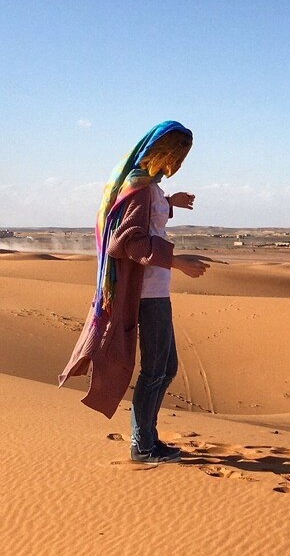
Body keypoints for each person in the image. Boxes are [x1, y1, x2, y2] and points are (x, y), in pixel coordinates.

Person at [59, 120, 209, 464]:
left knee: (167, 367)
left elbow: (147, 218)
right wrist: (177, 260)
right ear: (162, 151)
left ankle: (148, 439)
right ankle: (142, 445)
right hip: (145, 293)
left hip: (156, 290)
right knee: (156, 369)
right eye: (177, 154)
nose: (178, 162)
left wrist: (171, 203)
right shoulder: (140, 187)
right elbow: (126, 241)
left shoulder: (150, 186)